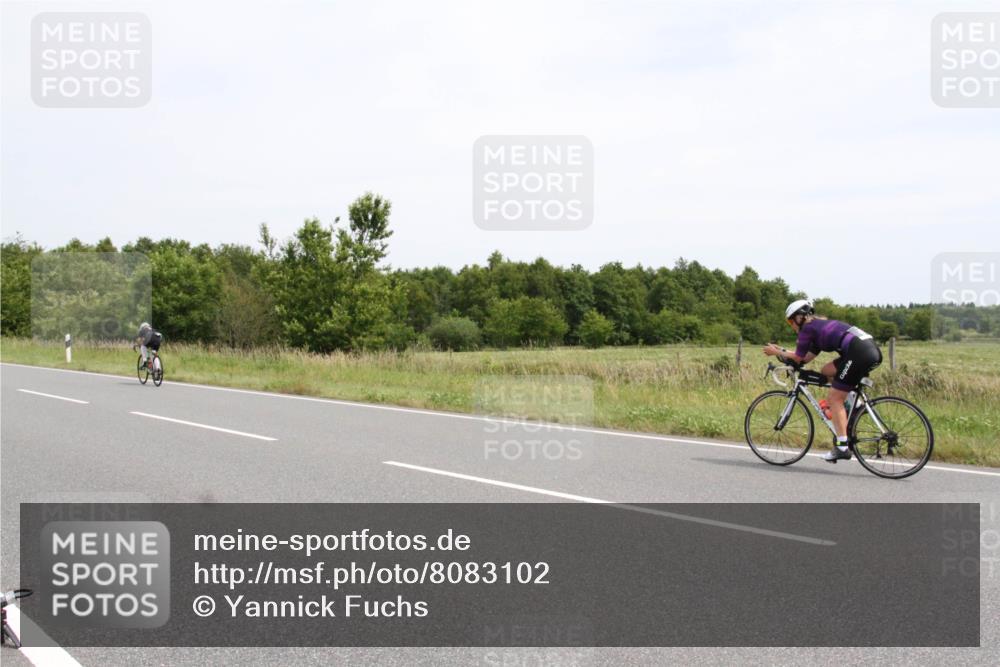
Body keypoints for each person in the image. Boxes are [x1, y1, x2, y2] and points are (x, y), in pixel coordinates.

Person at [762, 300, 883, 462]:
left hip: (858, 353)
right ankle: (855, 406)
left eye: (791, 321)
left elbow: (797, 357)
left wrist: (776, 351)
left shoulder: (807, 329)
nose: (791, 325)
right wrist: (782, 352)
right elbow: (804, 358)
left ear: (799, 317)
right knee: (827, 370)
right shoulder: (818, 327)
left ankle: (842, 447)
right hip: (869, 350)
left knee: (834, 398)